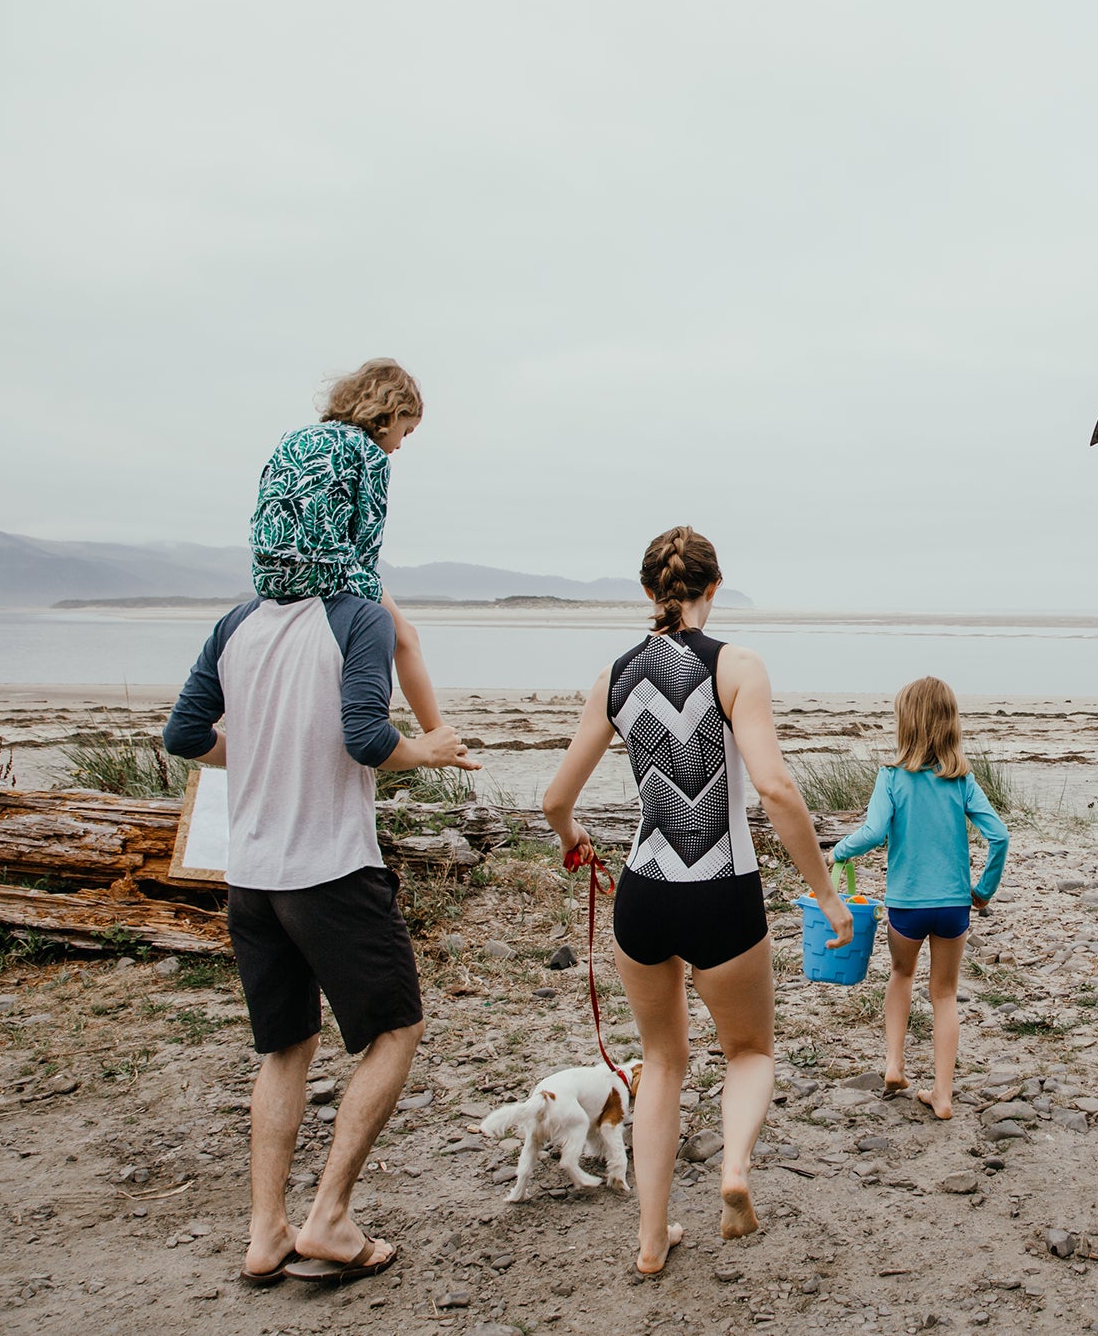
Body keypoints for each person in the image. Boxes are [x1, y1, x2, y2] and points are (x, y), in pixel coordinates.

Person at [539, 526, 853, 1276]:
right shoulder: (738, 666)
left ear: (649, 592)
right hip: (721, 893)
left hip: (644, 895)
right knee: (749, 1051)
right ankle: (735, 1170)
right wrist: (825, 891)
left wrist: (572, 836)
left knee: (660, 1060)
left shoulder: (615, 674)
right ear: (713, 588)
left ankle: (651, 1241)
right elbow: (775, 787)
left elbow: (555, 796)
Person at [162, 588, 477, 1286]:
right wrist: (426, 751)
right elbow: (365, 736)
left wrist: (254, 753)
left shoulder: (237, 619)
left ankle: (266, 1231)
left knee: (287, 1047)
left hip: (251, 878)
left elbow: (183, 735)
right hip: (330, 872)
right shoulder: (354, 617)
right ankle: (329, 1216)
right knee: (397, 1028)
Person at [830, 676, 1008, 1120]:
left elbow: (872, 833)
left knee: (900, 975)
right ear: (950, 724)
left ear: (905, 724)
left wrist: (838, 850)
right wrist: (982, 891)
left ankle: (894, 1063)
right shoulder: (963, 780)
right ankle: (943, 1095)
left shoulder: (890, 777)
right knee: (945, 994)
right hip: (953, 906)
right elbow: (999, 836)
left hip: (906, 905)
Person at [248, 357, 450, 739]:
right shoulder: (369, 454)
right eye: (405, 432)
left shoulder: (295, 437)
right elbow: (366, 545)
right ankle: (438, 733)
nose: (400, 445)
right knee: (405, 636)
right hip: (328, 569)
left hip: (269, 576)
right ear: (390, 415)